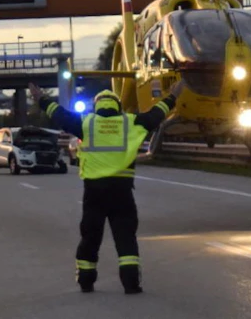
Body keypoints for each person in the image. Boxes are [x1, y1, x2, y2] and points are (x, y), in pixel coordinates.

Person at [29, 80, 184, 294]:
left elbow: (60, 115)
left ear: (97, 106)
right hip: (122, 191)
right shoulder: (131, 122)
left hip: (94, 192)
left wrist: (42, 99)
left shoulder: (87, 123)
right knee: (125, 236)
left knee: (91, 236)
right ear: (118, 106)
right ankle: (131, 283)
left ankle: (86, 280)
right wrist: (173, 96)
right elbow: (157, 114)